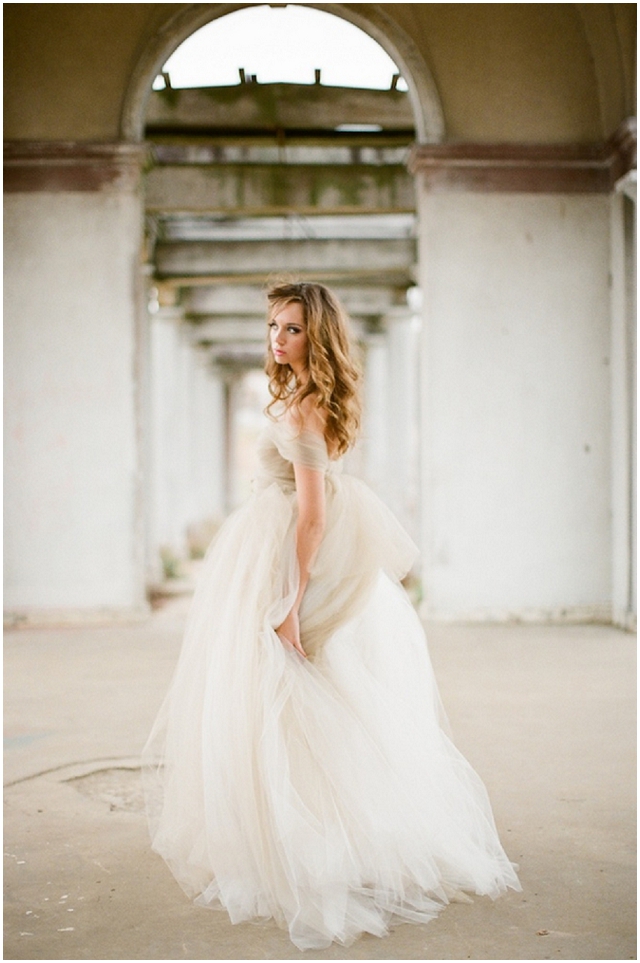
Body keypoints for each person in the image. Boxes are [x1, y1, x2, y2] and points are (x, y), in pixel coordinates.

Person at [143, 280, 521, 951]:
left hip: (293, 554)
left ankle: (319, 845)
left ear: (315, 336)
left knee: (298, 695)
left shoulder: (307, 408)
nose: (276, 339)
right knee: (284, 699)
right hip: (272, 542)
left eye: (290, 329)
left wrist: (291, 602)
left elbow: (313, 514)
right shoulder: (298, 395)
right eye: (273, 326)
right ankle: (294, 836)